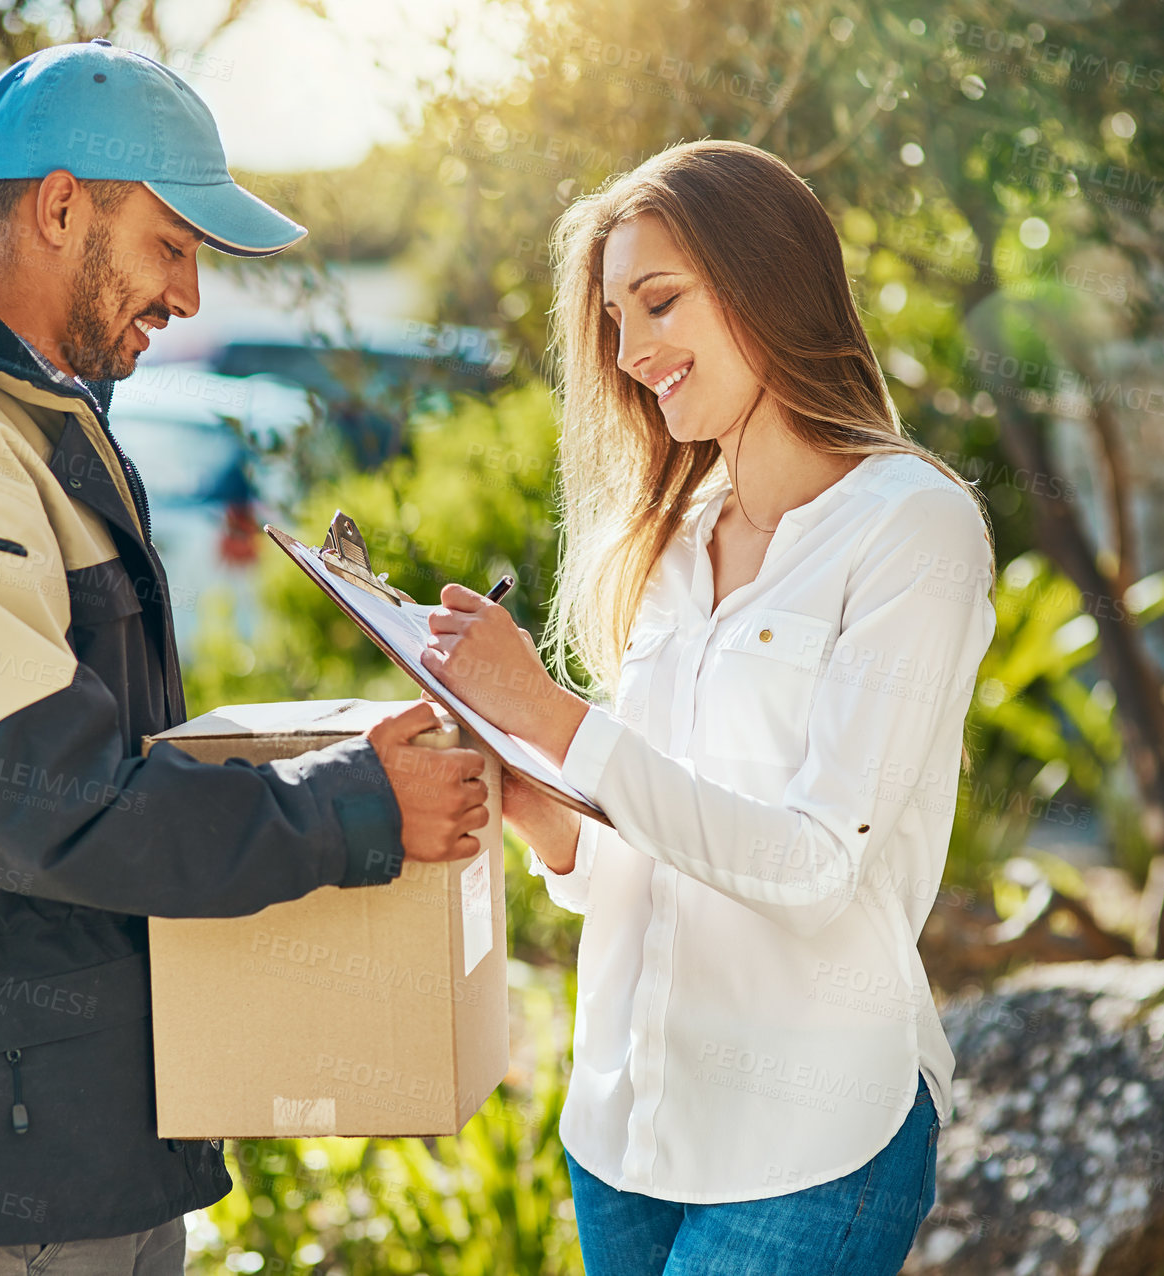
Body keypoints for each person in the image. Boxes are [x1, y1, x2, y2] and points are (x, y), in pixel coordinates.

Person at [0, 41, 488, 1275]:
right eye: (173, 245)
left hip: (69, 1142)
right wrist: (354, 808)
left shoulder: (20, 430)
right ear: (59, 207)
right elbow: (54, 805)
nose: (190, 297)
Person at [421, 140, 996, 1275]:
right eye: (614, 320)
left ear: (766, 280)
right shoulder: (675, 544)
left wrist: (554, 712)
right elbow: (639, 855)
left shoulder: (913, 530)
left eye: (659, 302)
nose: (631, 354)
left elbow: (814, 864)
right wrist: (539, 799)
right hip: (622, 1128)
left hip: (809, 1140)